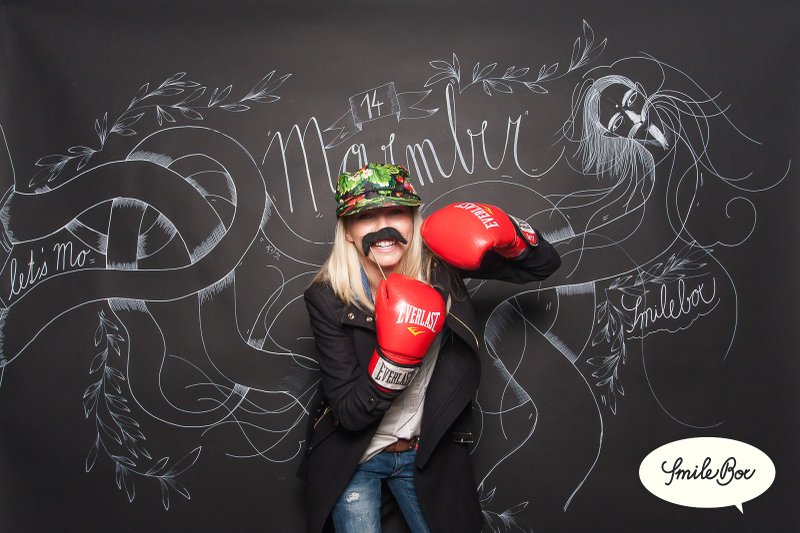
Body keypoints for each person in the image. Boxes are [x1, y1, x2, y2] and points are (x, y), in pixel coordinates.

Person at [301, 163, 561, 532]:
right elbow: (350, 414)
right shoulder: (326, 297)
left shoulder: (440, 268)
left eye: (396, 212)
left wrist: (511, 232)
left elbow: (543, 265)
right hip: (355, 457)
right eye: (366, 217)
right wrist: (395, 361)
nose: (383, 228)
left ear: (413, 220)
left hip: (426, 451)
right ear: (347, 232)